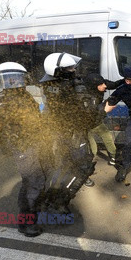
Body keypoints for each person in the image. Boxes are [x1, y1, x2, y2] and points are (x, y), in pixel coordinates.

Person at [0, 62, 46, 237]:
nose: (11, 83)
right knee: (32, 181)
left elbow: (35, 119)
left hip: (34, 143)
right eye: (6, 80)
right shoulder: (3, 103)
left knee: (37, 179)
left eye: (14, 79)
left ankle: (34, 211)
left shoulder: (26, 97)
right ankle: (25, 222)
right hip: (22, 146)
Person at [39, 52, 96, 213]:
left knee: (63, 163)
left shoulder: (50, 85)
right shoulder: (67, 88)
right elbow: (86, 112)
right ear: (58, 71)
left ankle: (52, 196)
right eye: (69, 68)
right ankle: (59, 202)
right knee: (83, 166)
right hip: (72, 132)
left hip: (61, 131)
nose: (73, 70)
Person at [84, 74, 120, 165]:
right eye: (102, 84)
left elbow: (113, 84)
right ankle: (88, 165)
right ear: (94, 87)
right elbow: (93, 117)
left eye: (104, 83)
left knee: (107, 138)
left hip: (96, 121)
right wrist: (105, 110)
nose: (105, 86)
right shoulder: (88, 100)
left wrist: (126, 80)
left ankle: (113, 157)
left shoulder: (100, 84)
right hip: (87, 125)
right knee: (93, 148)